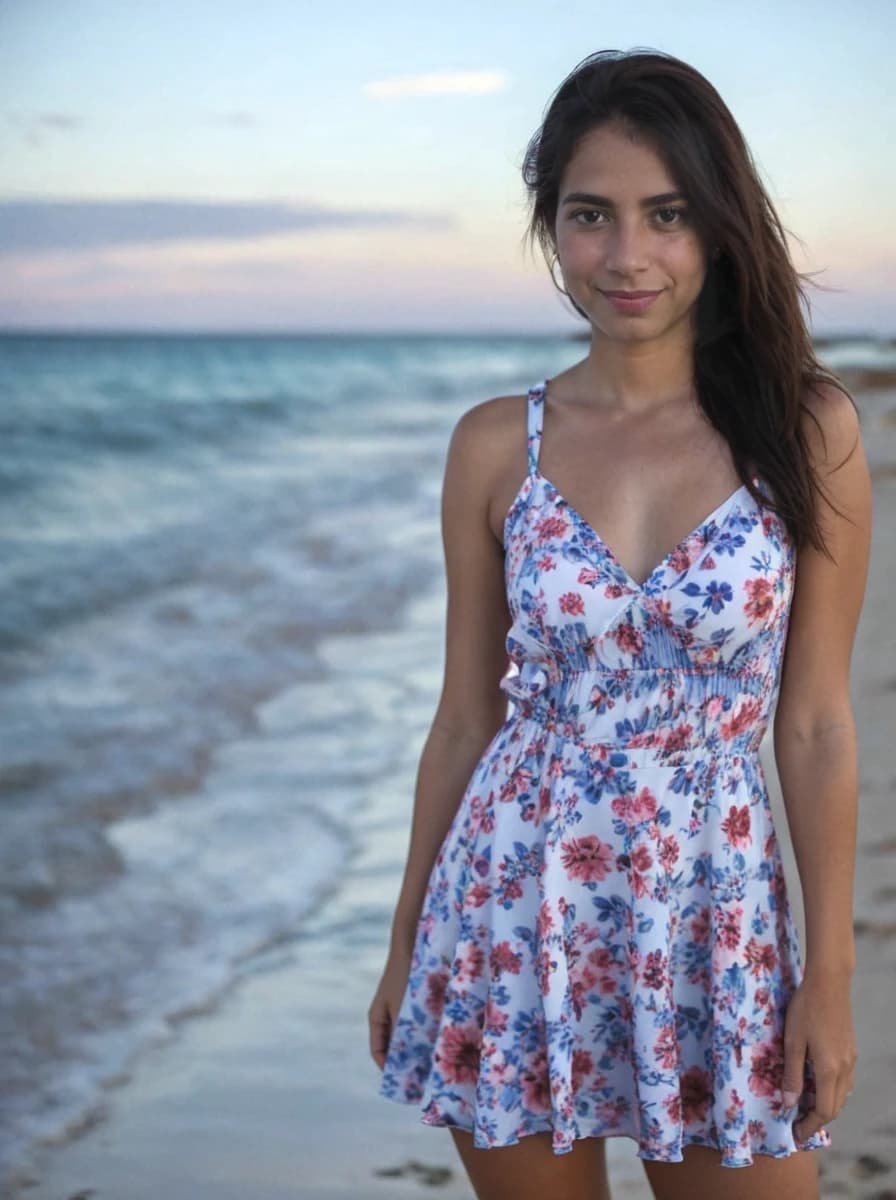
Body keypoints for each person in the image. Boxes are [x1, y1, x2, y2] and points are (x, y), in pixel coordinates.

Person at [368, 48, 870, 1200]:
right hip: (506, 903)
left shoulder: (805, 432)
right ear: (551, 229)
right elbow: (461, 718)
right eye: (590, 216)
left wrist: (827, 976)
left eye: (666, 215)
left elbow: (816, 727)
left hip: (714, 910)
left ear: (719, 226)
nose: (626, 256)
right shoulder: (497, 444)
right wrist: (405, 940)